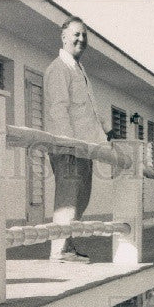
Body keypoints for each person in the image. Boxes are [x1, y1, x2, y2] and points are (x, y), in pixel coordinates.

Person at [44, 16, 111, 263]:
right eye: (76, 34)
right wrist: (70, 145)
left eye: (84, 35)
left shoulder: (79, 69)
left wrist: (106, 130)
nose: (81, 39)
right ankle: (59, 250)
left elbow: (90, 108)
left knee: (81, 197)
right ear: (63, 38)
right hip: (69, 147)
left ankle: (67, 247)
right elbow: (58, 110)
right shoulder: (58, 69)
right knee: (67, 199)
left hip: (85, 147)